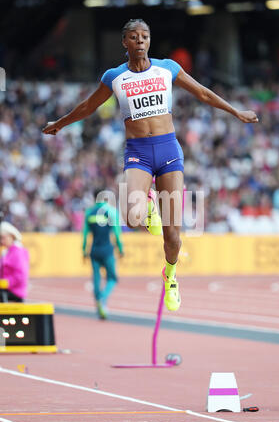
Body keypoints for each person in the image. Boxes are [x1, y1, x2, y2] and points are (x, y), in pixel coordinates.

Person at [42, 18, 258, 313]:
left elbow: (203, 93)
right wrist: (60, 124)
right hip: (138, 153)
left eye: (144, 36)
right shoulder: (114, 76)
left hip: (169, 150)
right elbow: (87, 107)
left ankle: (170, 276)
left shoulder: (167, 68)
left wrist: (236, 112)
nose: (140, 41)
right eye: (133, 37)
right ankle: (151, 206)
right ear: (125, 43)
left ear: (149, 41)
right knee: (131, 218)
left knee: (173, 236)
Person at [82, 189, 124, 319]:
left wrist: (84, 251)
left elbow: (85, 235)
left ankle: (98, 301)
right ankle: (103, 298)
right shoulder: (111, 212)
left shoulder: (89, 213)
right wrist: (120, 249)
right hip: (107, 250)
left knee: (96, 278)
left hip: (94, 250)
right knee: (112, 278)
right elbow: (116, 233)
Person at [0, 221, 30, 302]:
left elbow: (21, 275)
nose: (2, 241)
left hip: (15, 291)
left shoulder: (18, 252)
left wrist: (7, 282)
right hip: (5, 289)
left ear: (12, 236)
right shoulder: (6, 252)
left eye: (3, 238)